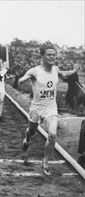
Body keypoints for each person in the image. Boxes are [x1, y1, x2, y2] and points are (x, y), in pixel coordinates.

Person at [18, 42, 78, 175]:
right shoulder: (34, 71)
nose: (52, 57)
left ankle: (45, 161)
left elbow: (64, 75)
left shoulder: (55, 69)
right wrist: (21, 78)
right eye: (49, 55)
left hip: (51, 108)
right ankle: (27, 139)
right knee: (31, 131)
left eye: (53, 55)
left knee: (52, 135)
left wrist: (75, 70)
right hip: (36, 108)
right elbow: (21, 80)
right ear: (42, 56)